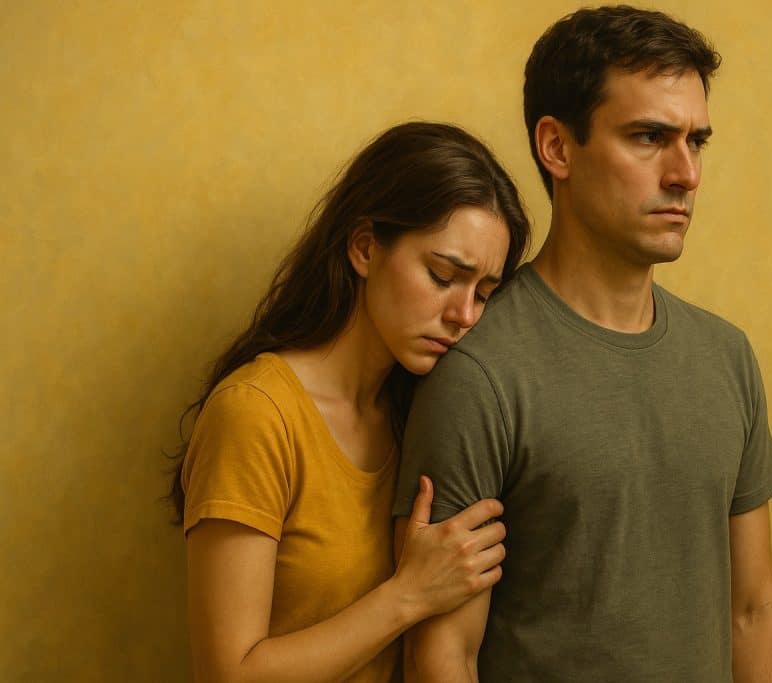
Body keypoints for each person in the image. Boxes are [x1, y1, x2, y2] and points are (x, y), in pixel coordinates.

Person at [393, 7, 772, 682]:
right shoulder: (478, 371)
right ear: (557, 147)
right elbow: (444, 654)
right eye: (649, 137)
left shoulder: (727, 357)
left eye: (697, 141)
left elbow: (753, 609)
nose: (685, 174)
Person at [168, 121, 530, 683]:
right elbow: (228, 674)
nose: (464, 315)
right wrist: (407, 596)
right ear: (364, 248)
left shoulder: (422, 412)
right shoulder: (255, 412)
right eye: (442, 276)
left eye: (483, 293)